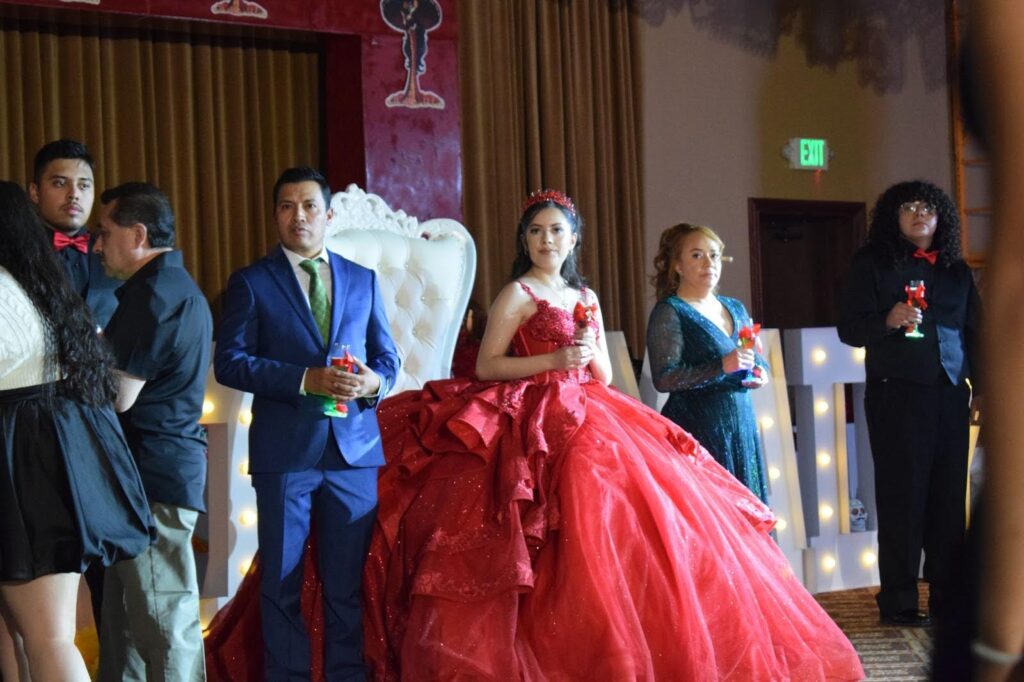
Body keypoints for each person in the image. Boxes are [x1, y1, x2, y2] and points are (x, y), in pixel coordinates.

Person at [205, 189, 864, 680]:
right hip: (526, 411)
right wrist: (553, 361)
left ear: (573, 239)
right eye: (537, 231)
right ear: (527, 240)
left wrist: (584, 351)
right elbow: (489, 365)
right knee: (519, 531)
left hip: (589, 413)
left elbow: (603, 375)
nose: (547, 240)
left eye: (557, 230)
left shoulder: (587, 295)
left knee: (635, 527)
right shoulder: (517, 292)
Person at [213, 167, 401, 681]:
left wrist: (372, 385)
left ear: (328, 215)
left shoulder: (362, 279)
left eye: (309, 206)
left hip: (354, 454)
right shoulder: (251, 282)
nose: (298, 216)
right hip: (286, 454)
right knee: (281, 583)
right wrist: (304, 380)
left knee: (346, 586)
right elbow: (229, 362)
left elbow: (388, 358)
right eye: (286, 206)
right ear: (275, 215)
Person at [0, 181, 153, 682]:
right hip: (42, 464)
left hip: (22, 472)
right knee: (30, 639)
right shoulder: (37, 285)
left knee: (46, 640)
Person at [837, 180, 980, 629]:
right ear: (893, 217)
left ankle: (947, 599)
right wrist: (888, 318)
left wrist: (988, 390)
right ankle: (898, 601)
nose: (920, 215)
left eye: (930, 208)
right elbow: (849, 329)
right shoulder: (871, 263)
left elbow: (975, 331)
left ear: (942, 218)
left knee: (947, 500)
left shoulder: (957, 270)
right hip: (896, 392)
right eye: (910, 207)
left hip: (951, 393)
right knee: (903, 499)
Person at [94, 182, 213, 682]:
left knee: (164, 626)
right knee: (127, 634)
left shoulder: (155, 295)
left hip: (151, 478)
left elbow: (118, 396)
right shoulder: (173, 288)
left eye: (105, 233)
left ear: (138, 234)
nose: (97, 246)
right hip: (150, 476)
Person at [646, 223, 769, 501]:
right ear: (677, 265)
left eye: (714, 255)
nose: (708, 263)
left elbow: (754, 355)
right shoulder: (670, 311)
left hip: (741, 424)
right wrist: (720, 367)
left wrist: (760, 370)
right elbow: (664, 378)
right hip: (698, 429)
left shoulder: (735, 307)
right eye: (696, 255)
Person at [29, 139, 120, 329]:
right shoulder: (17, 252)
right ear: (35, 192)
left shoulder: (118, 251)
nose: (74, 194)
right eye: (60, 183)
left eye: (84, 185)